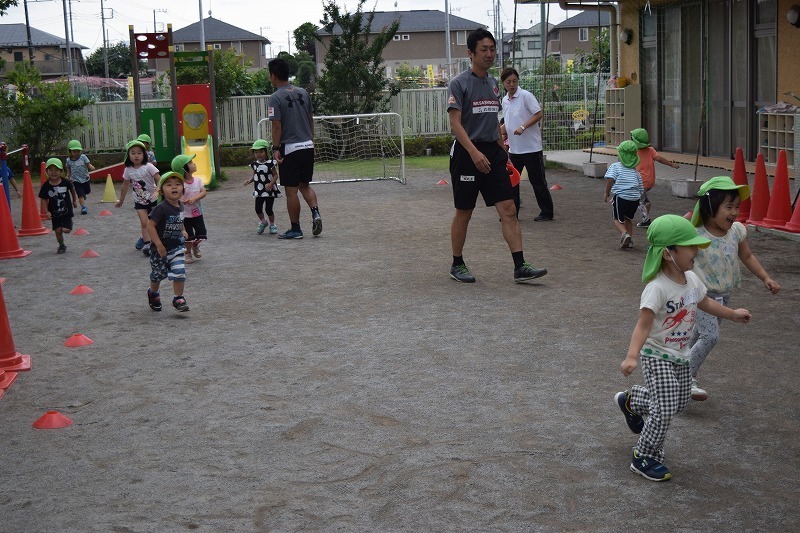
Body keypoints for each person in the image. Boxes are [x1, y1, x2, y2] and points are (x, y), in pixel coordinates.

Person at [616, 214, 751, 482]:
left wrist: (732, 314)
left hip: (681, 356)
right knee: (664, 410)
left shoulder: (692, 280)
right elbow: (643, 325)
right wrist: (632, 356)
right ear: (668, 254)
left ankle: (632, 400)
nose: (697, 250)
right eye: (690, 246)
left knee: (678, 402)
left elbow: (706, 303)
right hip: (656, 355)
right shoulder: (656, 288)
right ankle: (644, 455)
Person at [446, 29, 547, 284]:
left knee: (509, 209)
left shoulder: (493, 84)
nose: (490, 54)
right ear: (470, 53)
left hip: (493, 153)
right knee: (464, 211)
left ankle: (520, 265)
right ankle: (457, 263)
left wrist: (503, 151)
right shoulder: (459, 83)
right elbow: (456, 125)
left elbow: (492, 121)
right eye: (484, 49)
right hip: (467, 153)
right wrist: (474, 152)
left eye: (492, 49)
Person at [688, 176, 780, 400]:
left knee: (698, 335)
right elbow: (674, 250)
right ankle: (684, 377)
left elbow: (747, 255)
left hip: (723, 297)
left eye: (737, 207)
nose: (734, 212)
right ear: (709, 207)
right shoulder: (695, 233)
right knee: (710, 337)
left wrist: (765, 277)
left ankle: (678, 369)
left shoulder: (736, 231)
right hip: (701, 295)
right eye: (728, 206)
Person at [268, 57, 322, 240]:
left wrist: (276, 148)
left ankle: (296, 228)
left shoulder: (275, 97)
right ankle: (315, 213)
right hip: (307, 144)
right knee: (304, 185)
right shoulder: (303, 92)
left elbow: (276, 126)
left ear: (273, 76)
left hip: (289, 148)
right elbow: (310, 119)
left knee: (291, 190)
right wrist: (312, 142)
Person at [500, 67, 554, 221]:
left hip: (531, 148)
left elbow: (538, 114)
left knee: (537, 182)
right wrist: (499, 132)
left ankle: (547, 212)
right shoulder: (505, 100)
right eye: (508, 82)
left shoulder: (525, 96)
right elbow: (508, 122)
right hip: (514, 150)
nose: (512, 84)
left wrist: (523, 127)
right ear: (503, 83)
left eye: (514, 81)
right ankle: (512, 213)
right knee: (512, 182)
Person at [146, 171, 190, 313]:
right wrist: (158, 245)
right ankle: (153, 294)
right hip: (159, 250)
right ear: (161, 191)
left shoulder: (181, 206)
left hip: (176, 247)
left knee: (179, 272)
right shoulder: (161, 208)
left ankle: (178, 298)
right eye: (169, 185)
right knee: (158, 275)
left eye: (178, 184)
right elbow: (150, 226)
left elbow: (180, 220)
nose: (174, 187)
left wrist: (183, 230)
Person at [115, 140, 161, 255]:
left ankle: (153, 240)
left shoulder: (149, 166)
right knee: (144, 222)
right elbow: (124, 186)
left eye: (139, 153)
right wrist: (121, 200)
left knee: (154, 222)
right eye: (133, 153)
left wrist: (157, 191)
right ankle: (147, 244)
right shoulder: (128, 170)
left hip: (152, 199)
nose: (136, 155)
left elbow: (160, 180)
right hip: (139, 200)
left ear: (144, 154)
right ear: (128, 155)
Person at [630, 128, 678, 227]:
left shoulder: (633, 151)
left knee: (638, 201)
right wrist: (671, 164)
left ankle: (645, 220)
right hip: (650, 181)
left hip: (640, 181)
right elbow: (659, 159)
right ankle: (646, 203)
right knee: (641, 198)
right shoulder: (651, 150)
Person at [603, 140, 644, 249]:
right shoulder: (635, 171)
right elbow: (641, 188)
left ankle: (624, 234)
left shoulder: (615, 166)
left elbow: (610, 180)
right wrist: (640, 199)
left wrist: (606, 192)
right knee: (628, 219)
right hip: (634, 199)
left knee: (616, 219)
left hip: (621, 197)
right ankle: (629, 240)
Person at [37, 158, 78, 254]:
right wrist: (46, 211)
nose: (53, 173)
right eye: (50, 170)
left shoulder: (65, 182)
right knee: (58, 231)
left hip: (66, 211)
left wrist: (74, 201)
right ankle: (61, 245)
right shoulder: (46, 186)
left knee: (66, 230)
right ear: (46, 171)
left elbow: (72, 189)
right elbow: (43, 198)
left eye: (56, 170)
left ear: (61, 171)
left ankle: (69, 224)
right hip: (54, 213)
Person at [173, 154, 207, 263]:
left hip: (197, 213)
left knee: (201, 232)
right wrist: (180, 199)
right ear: (184, 168)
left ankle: (195, 246)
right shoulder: (179, 183)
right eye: (191, 163)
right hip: (184, 215)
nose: (194, 164)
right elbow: (175, 195)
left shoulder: (198, 180)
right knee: (188, 235)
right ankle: (187, 253)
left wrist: (195, 198)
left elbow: (203, 192)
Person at [244, 139, 281, 235]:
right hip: (259, 190)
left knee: (269, 209)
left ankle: (272, 224)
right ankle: (263, 222)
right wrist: (250, 181)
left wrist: (271, 183)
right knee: (258, 208)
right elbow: (255, 176)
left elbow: (276, 175)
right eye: (256, 152)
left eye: (261, 151)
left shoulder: (270, 163)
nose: (259, 154)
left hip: (269, 190)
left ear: (266, 152)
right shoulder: (255, 165)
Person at [64, 139, 96, 215]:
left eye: (78, 151)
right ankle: (83, 207)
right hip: (76, 180)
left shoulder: (83, 157)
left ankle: (84, 195)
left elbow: (88, 164)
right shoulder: (68, 160)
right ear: (70, 152)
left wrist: (91, 167)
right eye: (74, 151)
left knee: (87, 191)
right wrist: (68, 174)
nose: (77, 153)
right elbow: (68, 168)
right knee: (80, 194)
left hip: (85, 179)